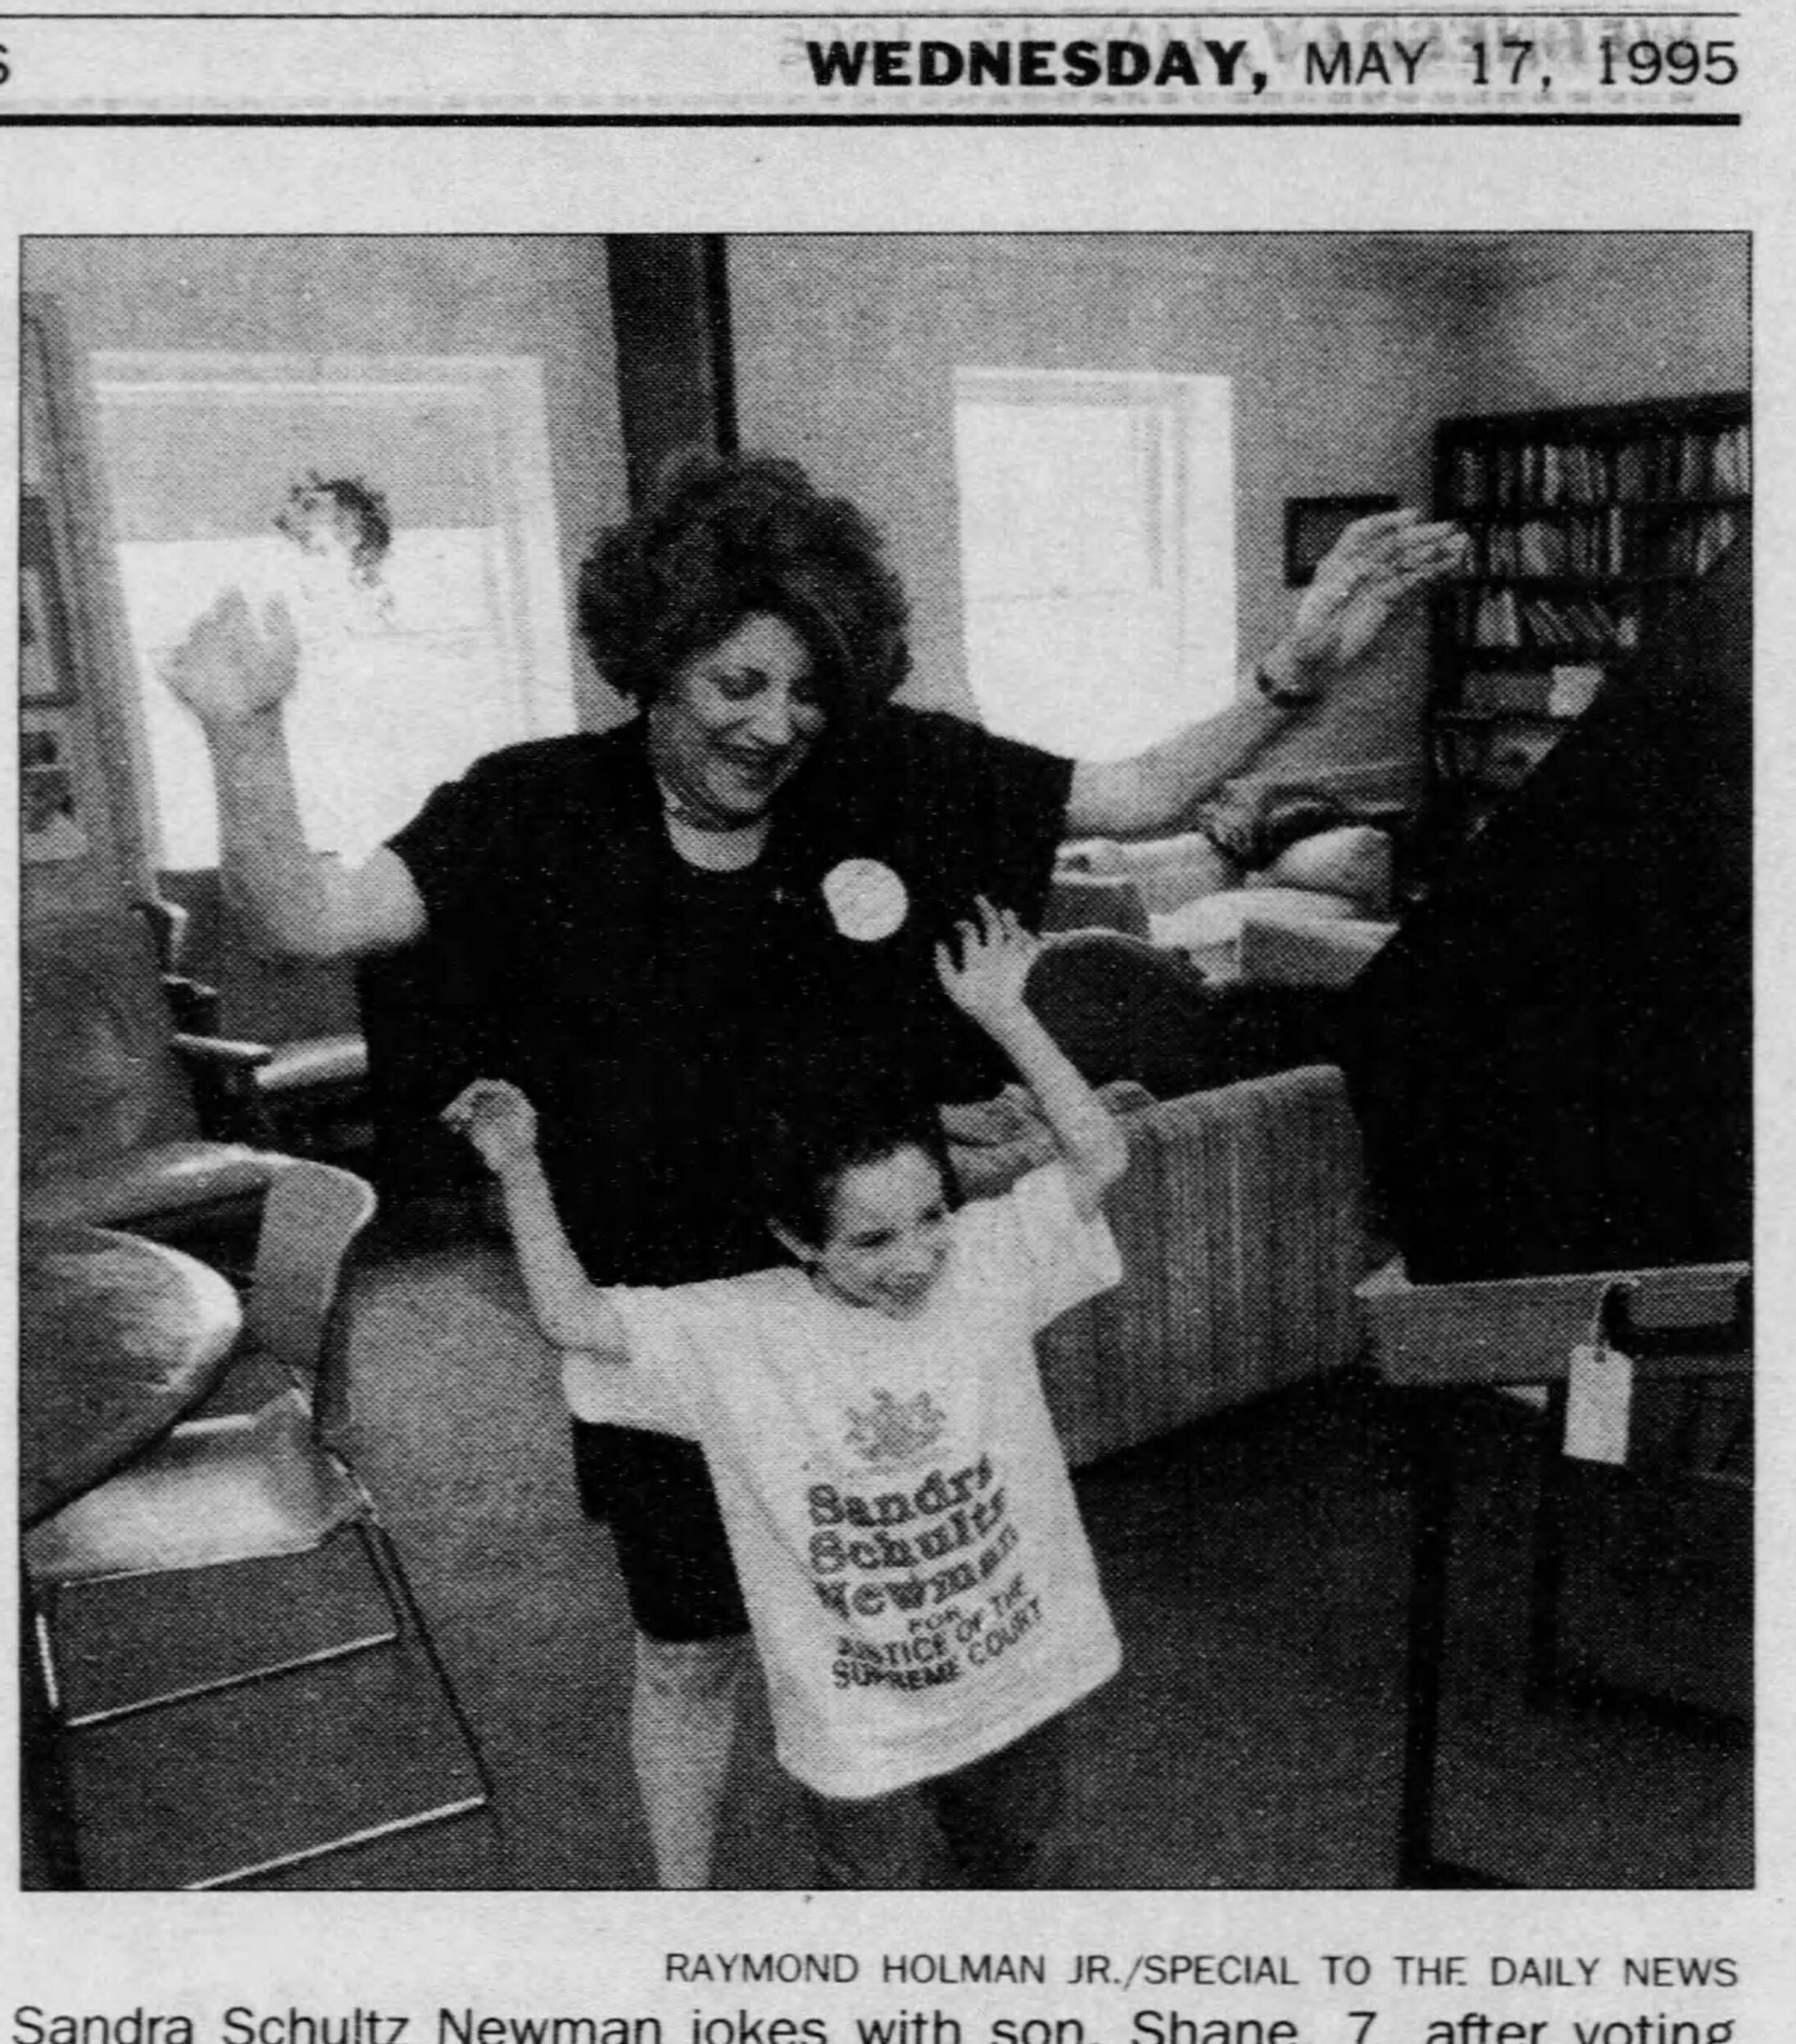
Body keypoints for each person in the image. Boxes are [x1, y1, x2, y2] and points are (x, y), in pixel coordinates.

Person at [157, 449, 1461, 1886]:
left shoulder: (882, 772)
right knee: (691, 1648)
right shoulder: (531, 810)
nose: (776, 724)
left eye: (807, 691)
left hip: (875, 1302)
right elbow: (304, 917)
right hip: (676, 1324)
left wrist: (1293, 674)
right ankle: (683, 1926)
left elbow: (1137, 789)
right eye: (736, 684)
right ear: (654, 663)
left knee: (917, 1604)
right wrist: (243, 731)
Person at [444, 900, 1129, 1887]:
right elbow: (573, 1318)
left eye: (930, 1216)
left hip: (1017, 1681)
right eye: (870, 1240)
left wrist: (1005, 1013)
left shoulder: (985, 1261)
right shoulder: (737, 1329)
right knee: (871, 1903)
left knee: (1017, 1877)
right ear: (795, 1238)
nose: (915, 1258)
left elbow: (1098, 1155)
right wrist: (520, 1169)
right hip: (860, 1725)